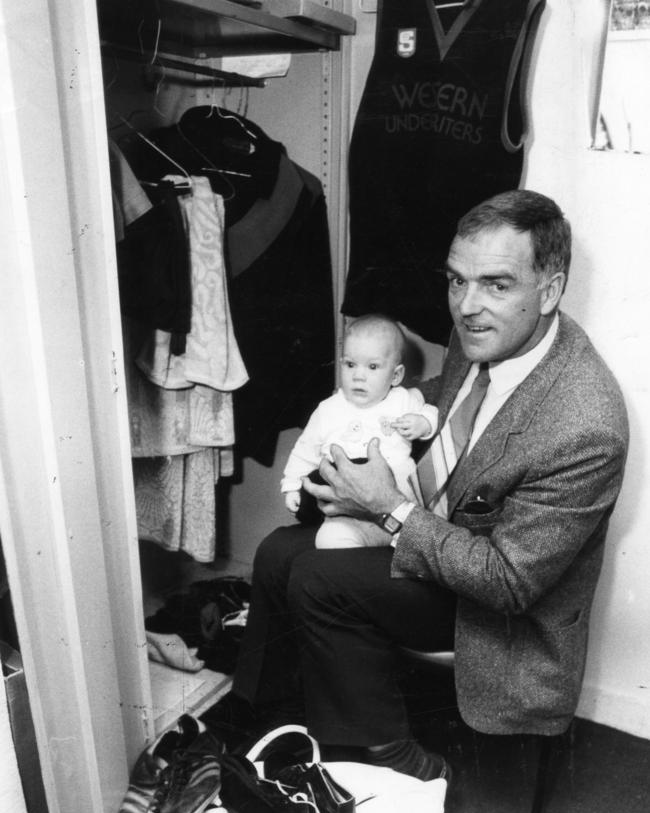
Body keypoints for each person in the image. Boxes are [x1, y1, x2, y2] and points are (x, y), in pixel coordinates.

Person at [216, 190, 629, 782]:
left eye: (496, 284)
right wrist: (372, 420)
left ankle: (383, 749)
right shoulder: (486, 335)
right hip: (438, 536)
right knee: (279, 549)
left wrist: (388, 506)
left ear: (551, 289)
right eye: (456, 281)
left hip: (494, 607)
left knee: (320, 577)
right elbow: (443, 397)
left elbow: (508, 582)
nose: (467, 306)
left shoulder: (585, 423)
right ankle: (265, 717)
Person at [281, 313, 438, 549]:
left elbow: (432, 413)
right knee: (328, 540)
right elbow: (305, 449)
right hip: (347, 512)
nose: (358, 376)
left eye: (372, 366)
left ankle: (402, 552)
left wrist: (422, 424)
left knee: (420, 537)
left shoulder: (403, 400)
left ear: (396, 375)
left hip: (399, 505)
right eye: (350, 364)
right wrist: (291, 484)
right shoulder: (329, 409)